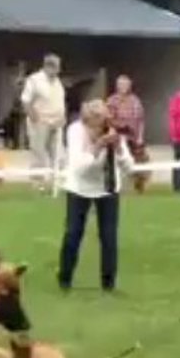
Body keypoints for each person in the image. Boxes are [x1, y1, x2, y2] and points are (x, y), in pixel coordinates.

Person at [57, 99, 133, 293]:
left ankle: (108, 284)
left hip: (107, 188)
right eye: (94, 126)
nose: (98, 130)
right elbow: (80, 169)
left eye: (101, 125)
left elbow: (129, 167)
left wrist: (118, 150)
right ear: (86, 122)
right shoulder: (75, 131)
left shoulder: (112, 132)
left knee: (109, 237)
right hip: (79, 187)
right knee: (73, 233)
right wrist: (97, 146)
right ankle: (65, 278)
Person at [22, 54, 67, 191]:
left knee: (59, 153)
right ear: (48, 66)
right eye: (56, 67)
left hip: (56, 122)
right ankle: (37, 184)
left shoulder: (57, 82)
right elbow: (26, 100)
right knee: (38, 153)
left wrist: (62, 117)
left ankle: (58, 182)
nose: (58, 71)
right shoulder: (34, 80)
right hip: (40, 121)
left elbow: (60, 101)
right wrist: (35, 118)